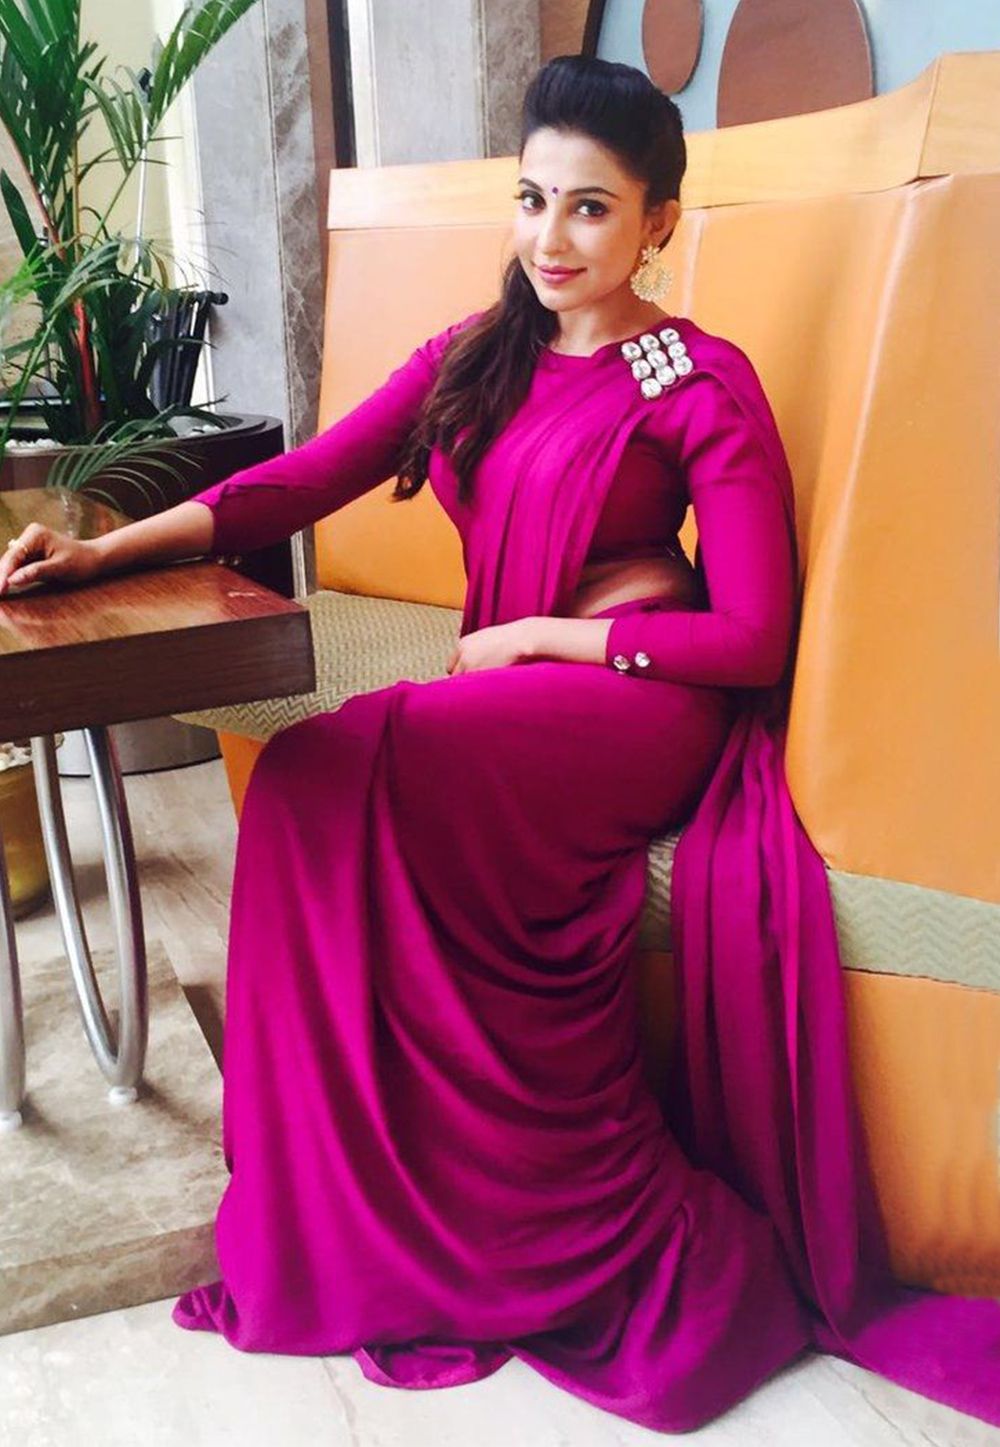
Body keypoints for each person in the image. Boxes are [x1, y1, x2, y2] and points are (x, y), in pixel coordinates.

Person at [2, 54, 997, 1436]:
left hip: (638, 697)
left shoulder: (694, 379)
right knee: (304, 785)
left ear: (659, 223)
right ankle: (365, 1206)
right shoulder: (477, 356)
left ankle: (540, 1211)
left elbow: (753, 637)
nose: (550, 238)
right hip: (514, 696)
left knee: (333, 771)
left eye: (591, 208)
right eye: (533, 199)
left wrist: (545, 641)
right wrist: (101, 552)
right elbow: (292, 484)